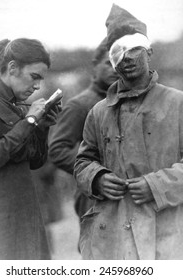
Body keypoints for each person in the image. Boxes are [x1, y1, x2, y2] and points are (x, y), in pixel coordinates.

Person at [74, 3, 183, 260]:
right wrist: (96, 178)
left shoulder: (178, 104)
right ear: (112, 62)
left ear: (149, 52)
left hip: (167, 233)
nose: (128, 58)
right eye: (118, 52)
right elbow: (82, 161)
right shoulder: (98, 112)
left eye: (135, 49)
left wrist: (156, 185)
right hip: (111, 235)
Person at [0, 38, 61, 259]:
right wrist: (29, 121)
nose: (38, 86)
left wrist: (41, 127)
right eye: (34, 77)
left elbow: (36, 161)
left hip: (24, 211)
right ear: (12, 67)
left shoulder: (20, 108)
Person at [49, 37, 118, 221]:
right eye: (108, 63)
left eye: (118, 63)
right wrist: (96, 175)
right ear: (94, 66)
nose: (114, 69)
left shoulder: (129, 102)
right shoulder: (80, 105)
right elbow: (57, 150)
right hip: (95, 196)